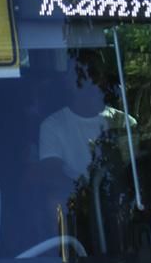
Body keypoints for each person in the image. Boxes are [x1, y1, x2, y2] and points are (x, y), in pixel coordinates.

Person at [39, 49, 138, 181]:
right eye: (81, 75)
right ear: (68, 82)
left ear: (104, 80)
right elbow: (55, 181)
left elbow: (133, 177)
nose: (90, 82)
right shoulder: (52, 126)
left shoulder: (125, 123)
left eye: (94, 74)